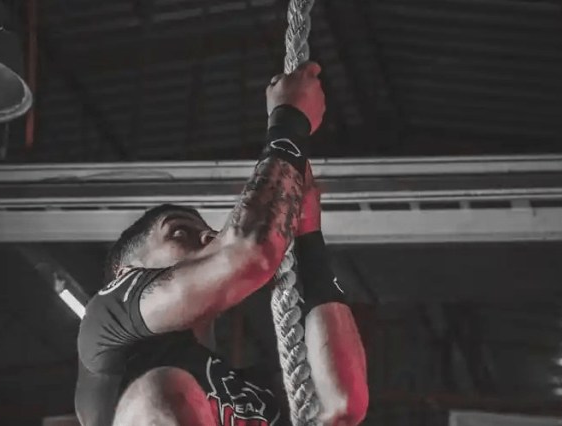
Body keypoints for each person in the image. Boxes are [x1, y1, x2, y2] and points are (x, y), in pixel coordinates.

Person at [75, 61, 368, 426]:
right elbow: (247, 252)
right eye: (178, 232)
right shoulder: (106, 321)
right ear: (126, 274)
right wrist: (289, 120)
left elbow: (343, 403)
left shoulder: (255, 393)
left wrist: (308, 235)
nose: (208, 237)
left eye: (207, 232)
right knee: (161, 393)